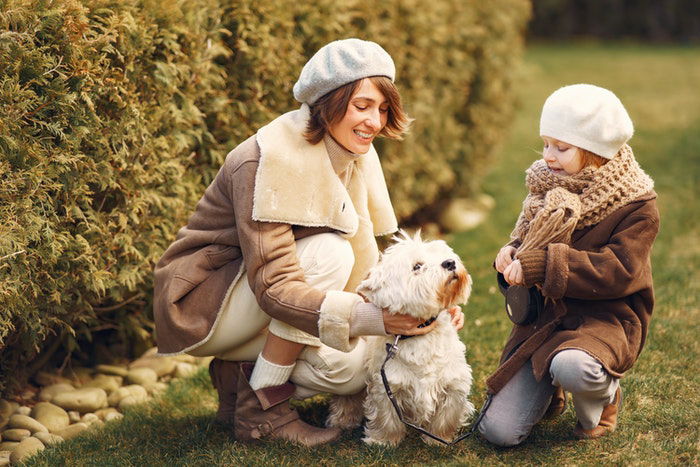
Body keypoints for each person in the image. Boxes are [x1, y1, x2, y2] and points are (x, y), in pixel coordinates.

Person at [152, 38, 463, 447]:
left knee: (353, 370)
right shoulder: (269, 158)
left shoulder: (353, 154)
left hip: (258, 303)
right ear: (327, 102)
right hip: (204, 302)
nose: (375, 121)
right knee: (330, 251)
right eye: (362, 106)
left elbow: (365, 263)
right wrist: (376, 320)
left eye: (383, 108)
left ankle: (238, 378)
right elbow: (276, 287)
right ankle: (261, 413)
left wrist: (425, 311)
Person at [479, 84, 659, 446]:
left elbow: (616, 270)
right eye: (545, 143)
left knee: (573, 366)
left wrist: (543, 264)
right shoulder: (546, 188)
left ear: (596, 151)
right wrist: (511, 256)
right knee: (497, 433)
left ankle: (602, 398)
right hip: (544, 322)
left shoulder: (638, 206)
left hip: (603, 319)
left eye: (561, 147)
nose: (548, 156)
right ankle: (549, 382)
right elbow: (528, 246)